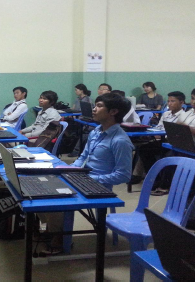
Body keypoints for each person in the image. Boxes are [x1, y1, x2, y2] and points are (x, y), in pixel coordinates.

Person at [38, 93, 134, 254]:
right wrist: (71, 169)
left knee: (52, 194)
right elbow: (83, 157)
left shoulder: (120, 141)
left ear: (113, 111)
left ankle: (60, 238)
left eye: (99, 106)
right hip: (83, 177)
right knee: (42, 183)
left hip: (99, 187)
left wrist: (90, 178)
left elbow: (124, 175)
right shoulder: (96, 132)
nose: (94, 109)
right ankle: (53, 230)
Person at [135, 91, 187, 195]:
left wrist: (162, 134)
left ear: (181, 102)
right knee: (144, 149)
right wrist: (153, 131)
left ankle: (165, 184)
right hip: (162, 140)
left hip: (174, 143)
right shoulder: (166, 113)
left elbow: (178, 132)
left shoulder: (184, 116)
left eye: (173, 101)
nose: (169, 103)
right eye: (168, 101)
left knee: (167, 155)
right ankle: (155, 179)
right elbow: (159, 126)